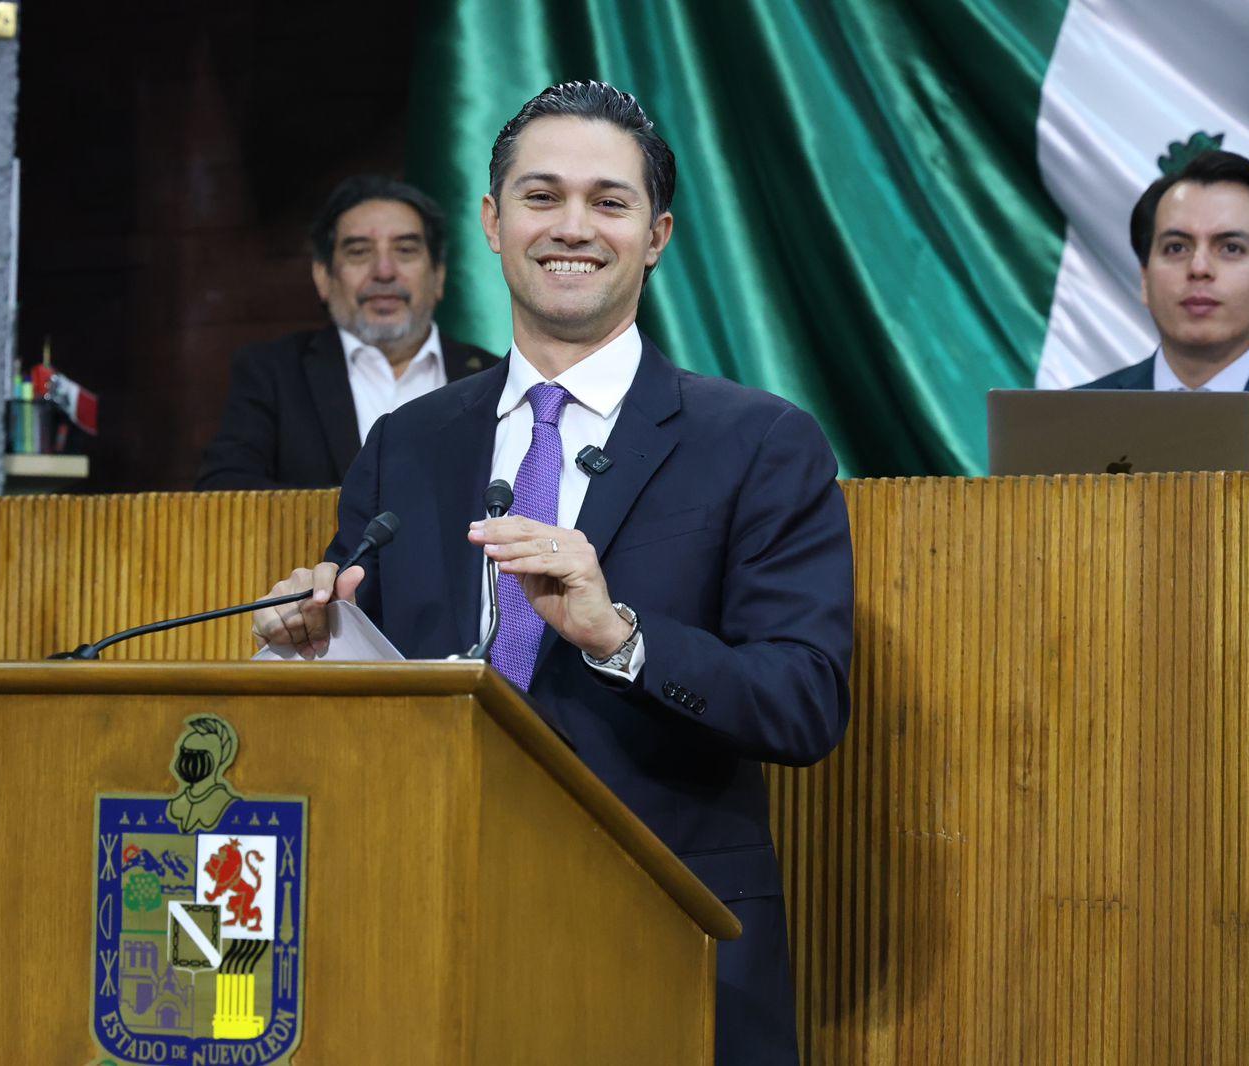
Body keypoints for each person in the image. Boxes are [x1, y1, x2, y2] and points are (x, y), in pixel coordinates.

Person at [252, 82, 853, 1063]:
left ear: (656, 236)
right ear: (492, 223)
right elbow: (378, 702)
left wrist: (618, 634)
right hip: (426, 935)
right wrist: (318, 649)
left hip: (660, 934)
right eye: (540, 197)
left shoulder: (758, 442)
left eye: (608, 203)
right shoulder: (409, 442)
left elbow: (802, 701)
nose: (572, 227)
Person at [194, 175, 498, 490]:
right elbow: (223, 491)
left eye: (405, 250)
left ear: (438, 275)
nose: (384, 271)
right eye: (359, 252)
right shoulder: (273, 373)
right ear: (323, 276)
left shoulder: (495, 376)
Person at [1076, 150, 1249, 405]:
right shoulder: (1071, 418)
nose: (1199, 268)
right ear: (1144, 279)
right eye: (1176, 247)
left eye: (1231, 248)